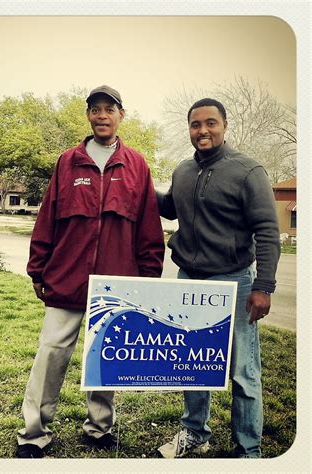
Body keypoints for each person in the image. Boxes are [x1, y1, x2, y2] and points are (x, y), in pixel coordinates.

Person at [15, 85, 165, 458]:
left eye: (108, 109)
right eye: (95, 109)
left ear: (121, 115)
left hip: (116, 285)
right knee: (50, 353)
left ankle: (99, 428)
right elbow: (47, 218)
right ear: (88, 116)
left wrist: (148, 276)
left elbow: (148, 225)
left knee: (106, 355)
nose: (102, 116)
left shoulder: (137, 166)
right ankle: (34, 433)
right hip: (66, 278)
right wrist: (38, 269)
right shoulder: (68, 161)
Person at [156, 98, 280, 459]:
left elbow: (268, 231)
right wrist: (138, 186)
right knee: (193, 363)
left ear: (225, 125)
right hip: (190, 280)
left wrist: (263, 287)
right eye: (196, 125)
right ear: (190, 129)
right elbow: (171, 206)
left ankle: (248, 449)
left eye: (211, 123)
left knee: (243, 371)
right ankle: (195, 433)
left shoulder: (248, 171)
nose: (203, 131)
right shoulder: (182, 171)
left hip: (235, 281)